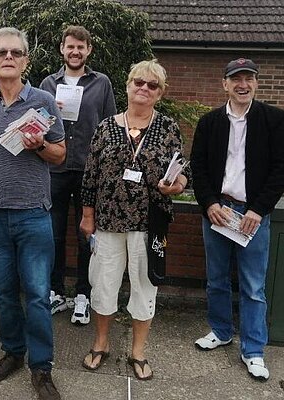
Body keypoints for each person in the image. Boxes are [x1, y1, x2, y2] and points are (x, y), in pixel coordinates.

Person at [0, 27, 66, 400]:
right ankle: (13, 352)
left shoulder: (43, 101)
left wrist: (40, 146)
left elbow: (61, 155)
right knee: (6, 292)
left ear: (25, 60)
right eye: (1, 52)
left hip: (34, 215)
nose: (8, 57)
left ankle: (42, 368)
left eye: (16, 53)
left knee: (38, 294)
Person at [79, 60, 189, 380]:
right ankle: (101, 344)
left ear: (160, 93)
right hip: (108, 220)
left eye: (151, 85)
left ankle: (138, 351)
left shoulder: (167, 127)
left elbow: (182, 173)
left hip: (149, 222)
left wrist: (176, 185)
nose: (143, 88)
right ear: (127, 86)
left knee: (144, 288)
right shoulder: (106, 126)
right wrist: (87, 216)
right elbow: (90, 175)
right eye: (138, 82)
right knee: (103, 285)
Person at [190, 58, 284, 382]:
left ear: (256, 83)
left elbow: (280, 170)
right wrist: (209, 204)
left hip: (252, 214)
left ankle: (254, 350)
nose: (243, 84)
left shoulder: (274, 120)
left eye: (249, 78)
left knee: (253, 287)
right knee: (216, 279)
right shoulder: (209, 122)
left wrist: (258, 209)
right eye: (236, 79)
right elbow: (197, 168)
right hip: (219, 211)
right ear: (225, 84)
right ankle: (220, 330)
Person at [39, 25, 116, 324]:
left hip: (88, 171)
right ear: (62, 49)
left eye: (80, 47)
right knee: (53, 236)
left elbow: (110, 126)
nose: (75, 52)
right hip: (55, 169)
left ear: (88, 51)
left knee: (86, 235)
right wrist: (50, 112)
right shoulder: (47, 83)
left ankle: (83, 294)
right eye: (70, 46)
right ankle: (56, 291)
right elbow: (36, 124)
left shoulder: (102, 83)